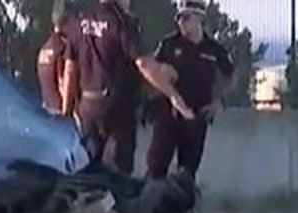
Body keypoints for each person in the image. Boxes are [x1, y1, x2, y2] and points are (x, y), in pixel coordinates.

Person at [60, 0, 187, 173]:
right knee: (118, 173)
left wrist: (66, 110)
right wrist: (174, 95)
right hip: (117, 109)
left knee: (86, 169)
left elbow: (69, 70)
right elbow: (143, 63)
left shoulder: (79, 22)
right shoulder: (123, 23)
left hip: (87, 107)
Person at [144, 0, 234, 179]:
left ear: (199, 18)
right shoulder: (169, 44)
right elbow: (151, 72)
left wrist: (218, 102)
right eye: (179, 18)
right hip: (168, 115)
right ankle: (151, 204)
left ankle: (183, 204)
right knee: (155, 168)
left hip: (197, 116)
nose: (181, 22)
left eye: (186, 18)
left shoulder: (214, 49)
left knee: (187, 172)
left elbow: (230, 75)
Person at [36, 0, 74, 116]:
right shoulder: (63, 47)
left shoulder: (45, 47)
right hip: (60, 116)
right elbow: (63, 80)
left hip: (46, 110)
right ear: (66, 21)